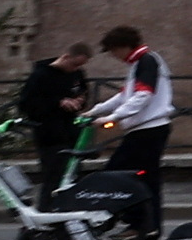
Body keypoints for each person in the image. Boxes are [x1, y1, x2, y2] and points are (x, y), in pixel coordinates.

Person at [93, 23, 174, 224]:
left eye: (113, 51)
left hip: (149, 130)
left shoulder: (147, 61)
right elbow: (124, 96)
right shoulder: (138, 64)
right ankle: (144, 226)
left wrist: (114, 117)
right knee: (141, 178)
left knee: (121, 174)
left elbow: (143, 95)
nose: (113, 56)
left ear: (123, 46)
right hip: (145, 130)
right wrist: (96, 111)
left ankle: (139, 225)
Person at [16, 38, 93, 193]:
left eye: (80, 66)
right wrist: (58, 102)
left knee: (71, 176)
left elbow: (82, 92)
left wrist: (79, 100)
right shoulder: (41, 75)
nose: (75, 69)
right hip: (49, 134)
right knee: (53, 177)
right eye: (74, 64)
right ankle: (46, 210)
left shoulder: (77, 74)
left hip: (71, 131)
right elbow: (26, 104)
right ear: (65, 57)